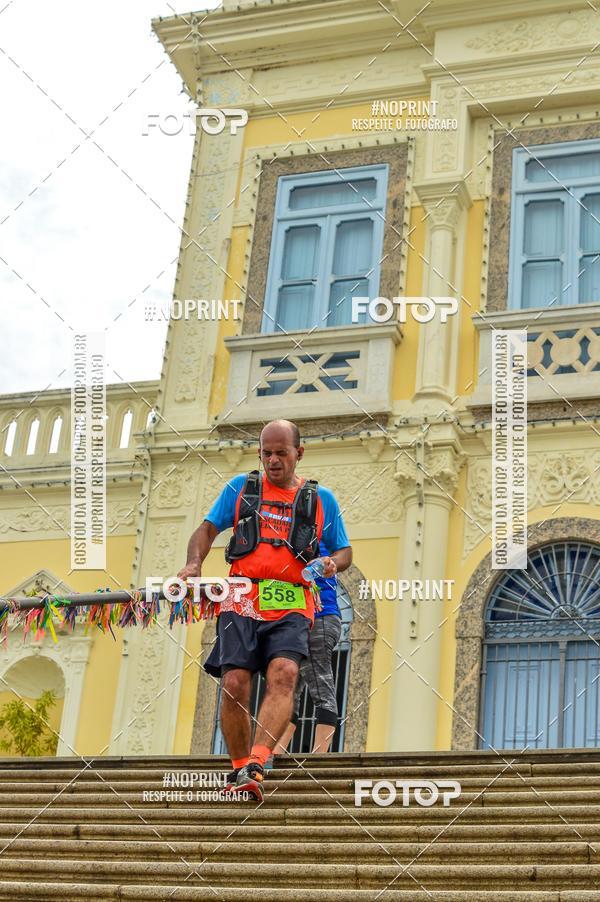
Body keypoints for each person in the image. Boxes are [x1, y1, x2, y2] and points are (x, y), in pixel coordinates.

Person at [177, 419, 352, 801]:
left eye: (281, 453)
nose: (273, 460)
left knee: (285, 673)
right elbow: (207, 531)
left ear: (298, 453)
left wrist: (332, 563)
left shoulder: (321, 499)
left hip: (292, 599)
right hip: (242, 596)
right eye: (266, 453)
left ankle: (256, 763)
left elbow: (344, 550)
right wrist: (193, 563)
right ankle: (239, 767)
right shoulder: (241, 489)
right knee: (234, 684)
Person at [273, 539, 344, 757]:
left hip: (319, 618)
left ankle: (318, 756)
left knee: (320, 684)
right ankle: (275, 752)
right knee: (290, 687)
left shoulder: (311, 544)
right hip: (305, 620)